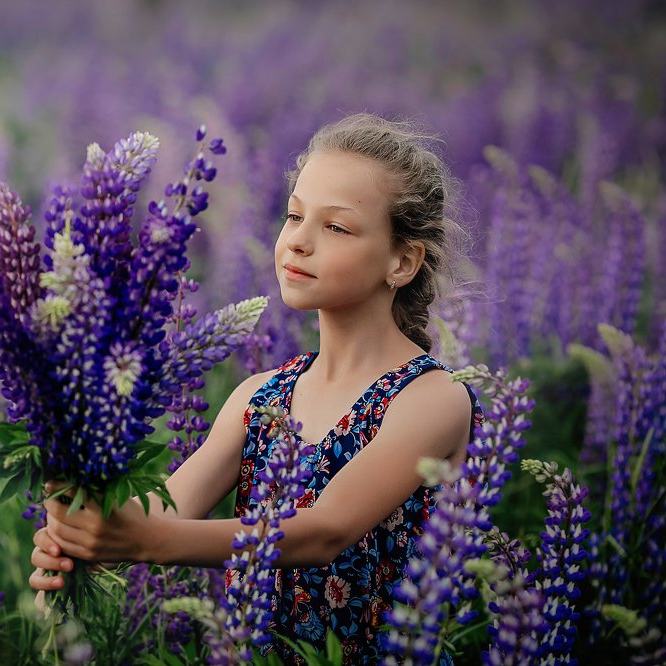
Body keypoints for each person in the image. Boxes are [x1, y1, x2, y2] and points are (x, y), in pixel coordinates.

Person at [29, 113, 481, 664]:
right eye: (294, 216)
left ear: (402, 261)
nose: (299, 242)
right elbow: (166, 512)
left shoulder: (433, 399)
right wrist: (87, 523)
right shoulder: (259, 396)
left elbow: (325, 531)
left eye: (335, 227)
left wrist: (144, 542)